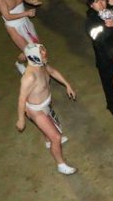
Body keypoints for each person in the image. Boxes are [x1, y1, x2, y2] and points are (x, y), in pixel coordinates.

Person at [16, 43, 77, 175]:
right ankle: (61, 165)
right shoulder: (29, 77)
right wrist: (21, 119)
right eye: (41, 52)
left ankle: (48, 141)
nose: (45, 54)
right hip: (35, 110)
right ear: (33, 57)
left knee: (50, 131)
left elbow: (53, 71)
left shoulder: (41, 65)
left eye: (44, 50)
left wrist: (67, 85)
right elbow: (21, 99)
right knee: (56, 137)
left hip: (46, 104)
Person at [0, 0, 41, 73]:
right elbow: (7, 16)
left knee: (35, 46)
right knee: (29, 51)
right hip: (13, 27)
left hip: (25, 22)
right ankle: (26, 66)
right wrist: (26, 13)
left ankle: (20, 63)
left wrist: (31, 1)